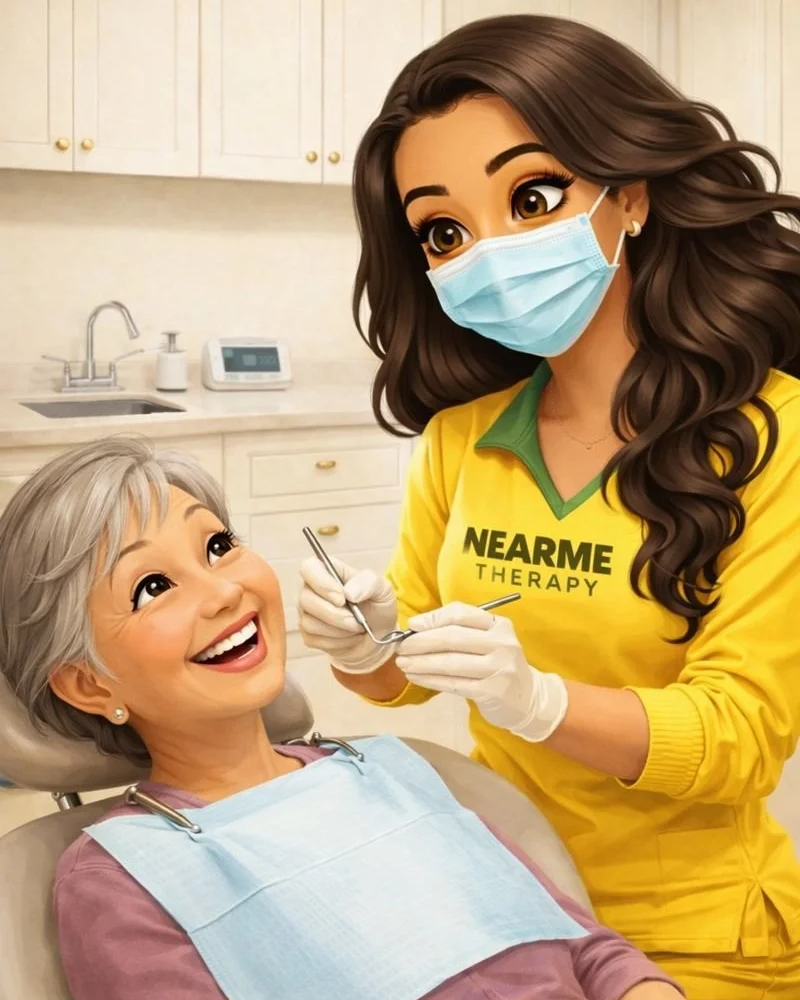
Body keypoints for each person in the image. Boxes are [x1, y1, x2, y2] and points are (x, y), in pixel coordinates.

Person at [297, 13, 800, 1000]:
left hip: (693, 933)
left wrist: (537, 701)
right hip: (503, 898)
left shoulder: (771, 436)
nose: (487, 249)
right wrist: (366, 645)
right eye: (442, 229)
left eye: (530, 196)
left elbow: (739, 736)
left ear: (633, 197)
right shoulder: (461, 436)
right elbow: (405, 675)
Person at [0, 436, 682, 1000]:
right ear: (88, 684)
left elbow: (589, 950)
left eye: (217, 546)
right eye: (154, 586)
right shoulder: (121, 879)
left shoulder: (389, 769)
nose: (225, 590)